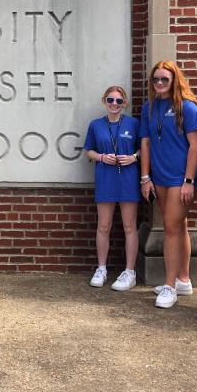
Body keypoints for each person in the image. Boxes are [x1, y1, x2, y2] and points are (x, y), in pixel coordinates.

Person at [139, 61, 197, 309]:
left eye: (164, 79)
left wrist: (189, 181)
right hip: (160, 176)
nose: (159, 83)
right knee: (178, 226)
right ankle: (183, 280)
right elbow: (145, 144)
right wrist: (145, 177)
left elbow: (196, 146)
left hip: (181, 177)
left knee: (170, 227)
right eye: (155, 79)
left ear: (175, 80)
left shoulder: (188, 108)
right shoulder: (148, 107)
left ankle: (169, 287)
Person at [83, 86, 141, 291]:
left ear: (125, 103)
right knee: (103, 226)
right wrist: (100, 157)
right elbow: (88, 150)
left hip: (128, 177)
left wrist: (134, 157)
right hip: (105, 177)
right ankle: (101, 268)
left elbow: (145, 146)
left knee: (129, 226)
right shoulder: (96, 125)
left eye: (118, 101)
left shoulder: (134, 123)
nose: (114, 104)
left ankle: (130, 271)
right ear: (104, 101)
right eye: (110, 100)